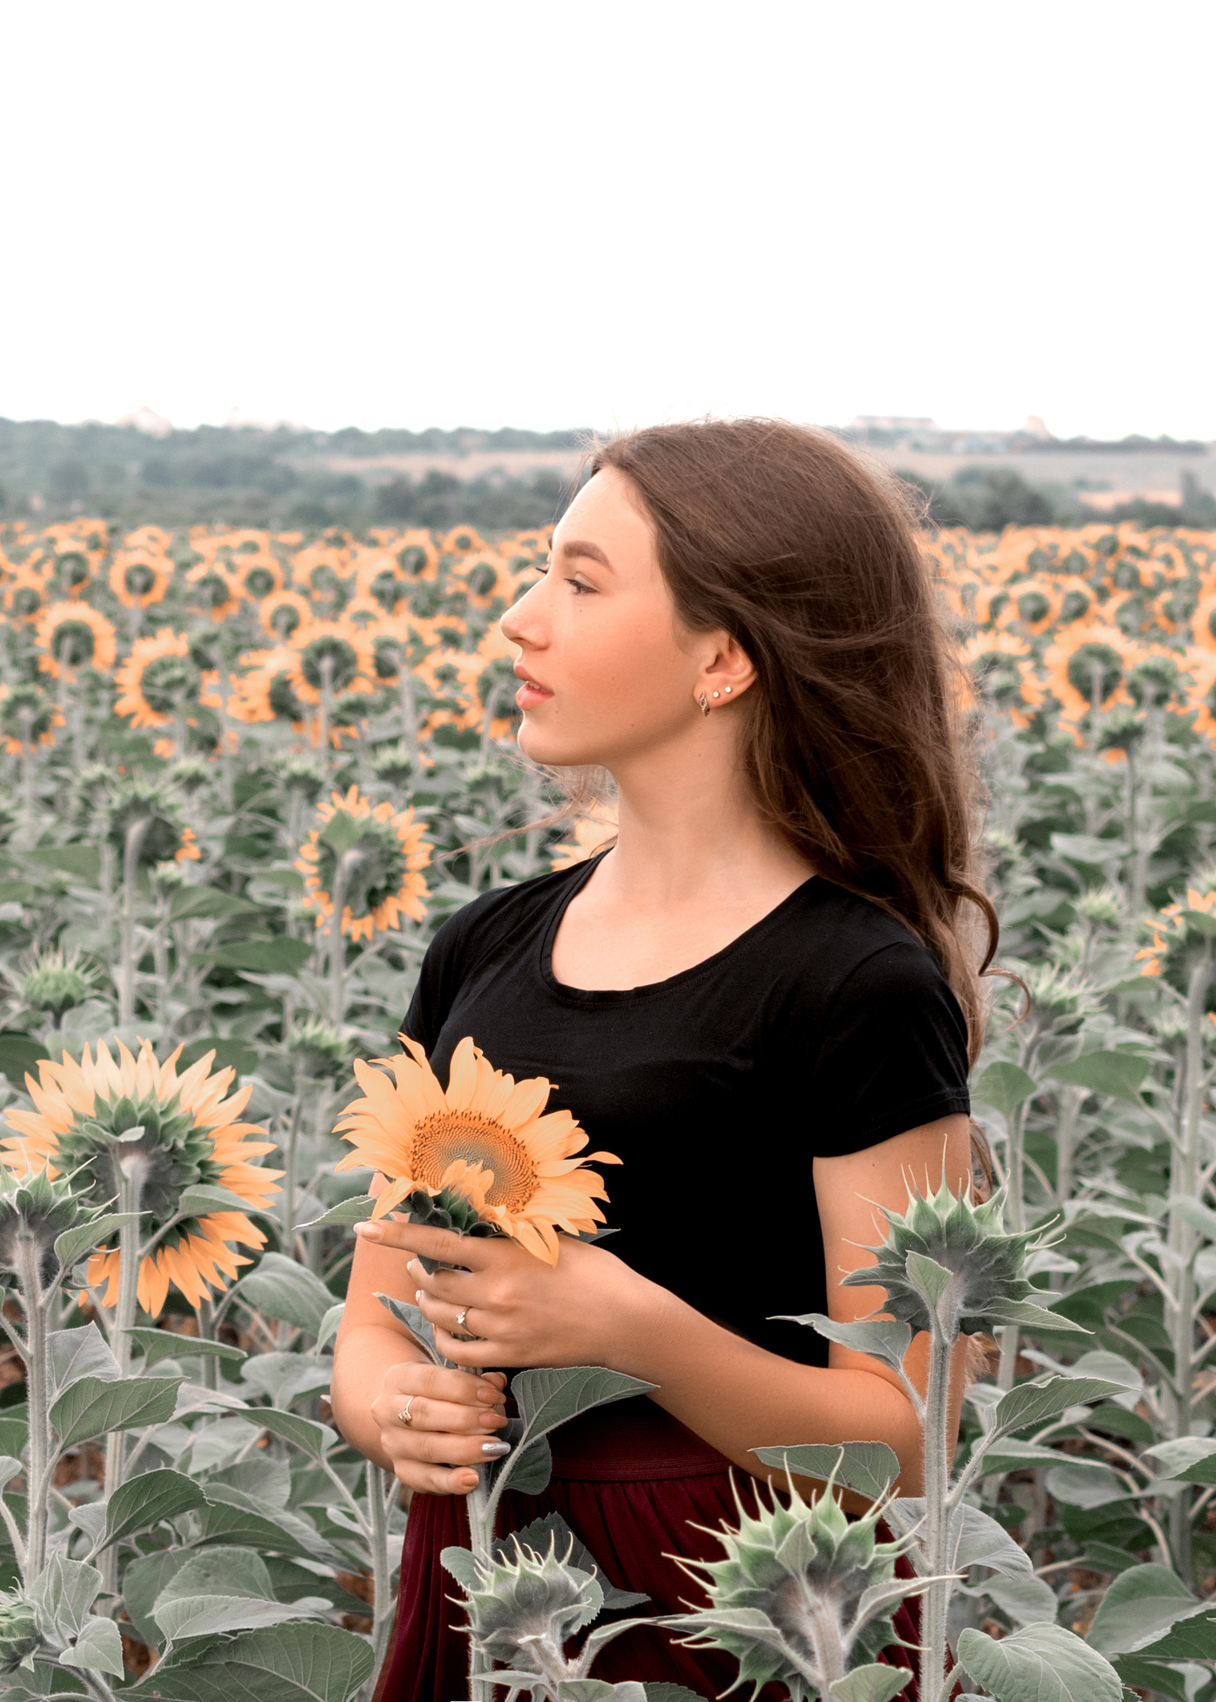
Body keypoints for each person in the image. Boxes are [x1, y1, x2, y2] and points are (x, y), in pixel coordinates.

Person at [330, 418, 999, 1698]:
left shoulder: (855, 984)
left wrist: (633, 1330)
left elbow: (908, 1434)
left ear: (724, 656)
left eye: (579, 582)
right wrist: (391, 1406)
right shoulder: (485, 945)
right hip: (493, 1565)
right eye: (540, 572)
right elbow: (374, 1316)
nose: (520, 619)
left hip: (742, 1598)